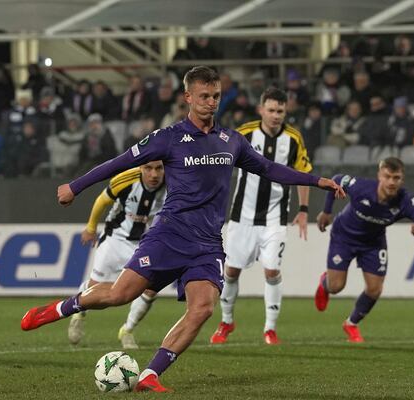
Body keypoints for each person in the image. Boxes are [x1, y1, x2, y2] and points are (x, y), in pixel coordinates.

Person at [20, 66, 344, 393]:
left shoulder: (231, 141)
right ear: (188, 97)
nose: (210, 102)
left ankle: (150, 374)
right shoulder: (168, 138)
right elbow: (119, 162)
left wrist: (317, 181)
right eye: (203, 96)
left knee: (203, 307)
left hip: (207, 244)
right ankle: (62, 308)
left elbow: (270, 169)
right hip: (169, 235)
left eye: (215, 96)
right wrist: (75, 187)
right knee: (120, 294)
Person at [210, 88, 312, 346]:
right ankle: (227, 322)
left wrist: (303, 210)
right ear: (261, 110)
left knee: (272, 271)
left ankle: (270, 329)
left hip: (274, 219)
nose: (276, 115)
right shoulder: (244, 133)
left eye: (280, 111)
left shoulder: (293, 138)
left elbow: (303, 174)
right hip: (241, 217)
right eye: (271, 110)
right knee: (231, 272)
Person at [314, 157, 414, 342]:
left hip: (373, 243)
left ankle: (351, 324)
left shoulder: (406, 201)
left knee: (374, 289)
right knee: (336, 286)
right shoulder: (361, 187)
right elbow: (336, 180)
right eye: (387, 176)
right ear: (380, 175)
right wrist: (327, 211)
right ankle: (325, 283)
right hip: (344, 237)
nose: (391, 182)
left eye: (396, 178)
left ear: (402, 179)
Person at [68, 161, 166, 349]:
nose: (154, 174)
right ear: (141, 168)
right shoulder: (126, 179)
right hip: (116, 239)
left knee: (151, 289)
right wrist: (91, 228)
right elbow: (102, 201)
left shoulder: (174, 182)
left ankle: (127, 330)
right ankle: (79, 312)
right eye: (148, 168)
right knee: (96, 288)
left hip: (144, 244)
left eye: (159, 168)